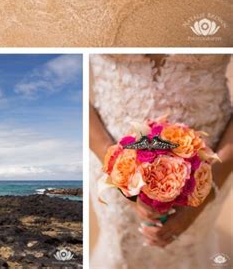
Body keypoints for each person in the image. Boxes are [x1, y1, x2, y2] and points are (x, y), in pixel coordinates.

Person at [89, 54, 233, 269]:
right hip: (108, 154)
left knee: (191, 247)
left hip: (214, 163)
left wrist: (207, 188)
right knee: (120, 246)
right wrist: (122, 170)